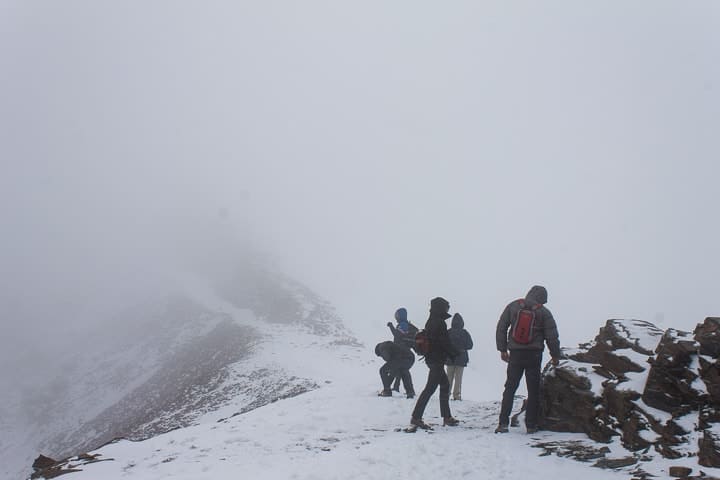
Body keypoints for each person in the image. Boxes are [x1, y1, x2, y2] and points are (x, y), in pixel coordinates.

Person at [495, 285, 561, 434]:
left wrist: (502, 349)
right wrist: (555, 355)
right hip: (534, 355)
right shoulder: (544, 312)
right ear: (542, 299)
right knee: (533, 390)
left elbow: (501, 327)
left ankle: (503, 423)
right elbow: (552, 336)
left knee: (510, 388)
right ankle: (531, 425)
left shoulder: (513, 306)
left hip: (515, 354)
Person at [410, 297, 460, 429]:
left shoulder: (430, 321)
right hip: (437, 360)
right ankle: (416, 417)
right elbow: (444, 342)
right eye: (446, 307)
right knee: (430, 388)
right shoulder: (439, 323)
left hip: (431, 359)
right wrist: (454, 353)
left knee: (444, 385)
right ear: (441, 308)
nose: (447, 309)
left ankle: (447, 416)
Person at [387, 307, 418, 394]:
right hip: (403, 351)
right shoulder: (404, 324)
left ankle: (391, 388)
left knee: (398, 369)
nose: (396, 317)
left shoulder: (403, 324)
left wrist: (391, 326)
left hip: (401, 351)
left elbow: (397, 335)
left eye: (397, 315)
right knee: (400, 370)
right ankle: (398, 388)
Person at [445, 313, 473, 401]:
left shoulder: (448, 332)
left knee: (448, 377)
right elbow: (470, 345)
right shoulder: (465, 333)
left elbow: (444, 344)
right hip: (461, 359)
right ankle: (456, 396)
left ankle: (446, 394)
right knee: (458, 378)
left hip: (450, 358)